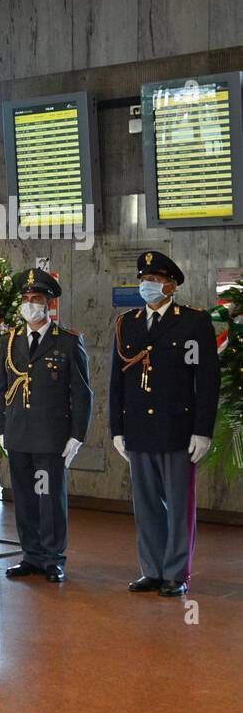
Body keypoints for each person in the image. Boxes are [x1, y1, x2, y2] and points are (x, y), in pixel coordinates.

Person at [111, 251, 220, 597]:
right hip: (139, 430)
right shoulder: (127, 323)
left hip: (178, 430)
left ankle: (176, 573)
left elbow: (207, 380)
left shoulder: (192, 322)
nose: (147, 286)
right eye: (144, 279)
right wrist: (117, 429)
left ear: (171, 285)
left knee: (178, 505)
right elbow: (118, 380)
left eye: (154, 280)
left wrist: (203, 430)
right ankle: (152, 570)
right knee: (145, 506)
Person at [0, 269, 93, 583]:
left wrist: (77, 435)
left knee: (50, 498)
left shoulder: (67, 342)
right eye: (25, 299)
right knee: (23, 498)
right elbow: (1, 388)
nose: (29, 304)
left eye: (35, 299)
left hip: (51, 437)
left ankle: (53, 558)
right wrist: (1, 428)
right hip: (19, 434)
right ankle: (32, 556)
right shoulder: (9, 341)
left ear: (49, 304)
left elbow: (81, 392)